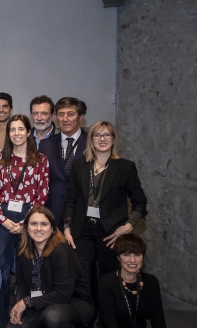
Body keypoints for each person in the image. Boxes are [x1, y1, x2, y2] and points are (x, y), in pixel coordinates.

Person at [63, 121, 147, 303]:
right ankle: (88, 317)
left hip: (111, 232)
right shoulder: (79, 166)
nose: (102, 139)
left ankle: (107, 319)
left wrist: (128, 226)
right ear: (91, 140)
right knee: (82, 275)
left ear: (113, 139)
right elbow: (71, 199)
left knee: (109, 276)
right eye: (97, 135)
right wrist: (67, 227)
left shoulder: (125, 167)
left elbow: (140, 203)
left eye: (106, 135)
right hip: (81, 230)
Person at [2, 206, 93, 328]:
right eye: (33, 224)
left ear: (52, 228)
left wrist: (25, 303)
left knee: (53, 316)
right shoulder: (23, 250)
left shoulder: (62, 251)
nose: (38, 229)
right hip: (40, 305)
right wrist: (20, 305)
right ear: (26, 227)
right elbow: (23, 286)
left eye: (44, 224)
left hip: (72, 304)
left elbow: (62, 294)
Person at [0, 114, 50, 328]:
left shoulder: (40, 160)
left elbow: (42, 194)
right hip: (2, 218)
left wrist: (27, 222)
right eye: (12, 130)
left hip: (30, 218)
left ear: (28, 131)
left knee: (27, 271)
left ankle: (27, 320)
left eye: (20, 129)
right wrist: (3, 220)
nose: (16, 133)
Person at [41, 97, 88, 225]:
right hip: (53, 212)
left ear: (81, 117)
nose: (65, 119)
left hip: (82, 212)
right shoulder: (45, 145)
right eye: (61, 114)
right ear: (55, 116)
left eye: (71, 114)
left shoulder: (91, 143)